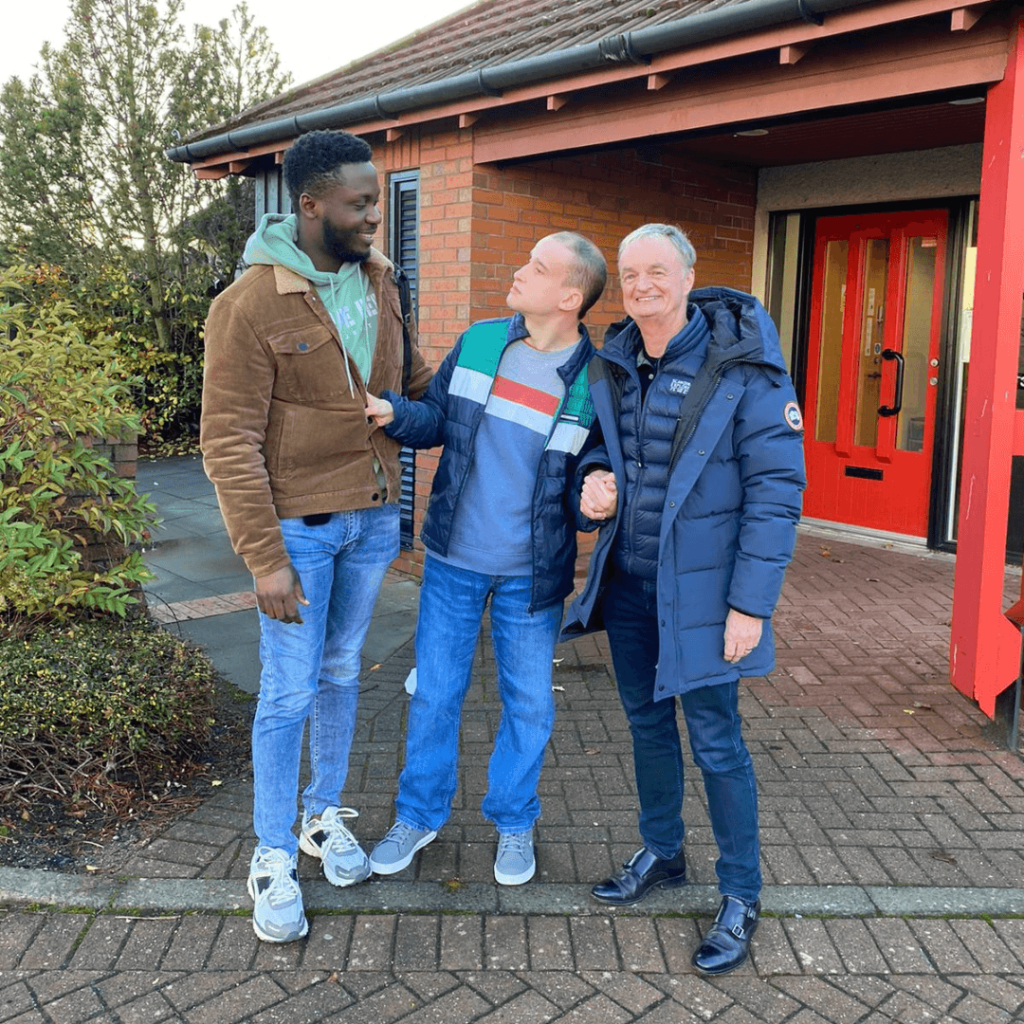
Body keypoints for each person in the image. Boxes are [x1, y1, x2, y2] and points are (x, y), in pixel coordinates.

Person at [200, 129, 432, 943]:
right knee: (289, 692)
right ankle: (269, 854)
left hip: (370, 522)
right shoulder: (250, 305)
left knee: (340, 674)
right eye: (361, 203)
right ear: (309, 205)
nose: (376, 216)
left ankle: (320, 816)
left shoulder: (382, 282)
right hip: (297, 534)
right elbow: (227, 439)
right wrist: (263, 559)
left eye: (376, 200)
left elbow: (414, 383)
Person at [561, 223, 804, 975]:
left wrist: (750, 605)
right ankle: (664, 851)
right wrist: (589, 484)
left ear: (690, 275)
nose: (641, 285)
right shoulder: (614, 359)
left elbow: (776, 491)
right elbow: (605, 448)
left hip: (703, 596)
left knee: (717, 740)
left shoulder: (746, 367)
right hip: (631, 586)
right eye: (630, 273)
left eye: (656, 270)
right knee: (645, 725)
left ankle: (741, 892)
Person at [363, 232, 607, 886]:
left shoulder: (595, 380)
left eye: (538, 266)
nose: (519, 271)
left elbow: (592, 471)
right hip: (452, 562)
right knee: (436, 695)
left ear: (569, 295)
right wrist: (392, 413)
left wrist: (597, 497)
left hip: (533, 575)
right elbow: (437, 420)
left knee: (528, 703)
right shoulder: (476, 343)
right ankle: (418, 815)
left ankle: (514, 822)